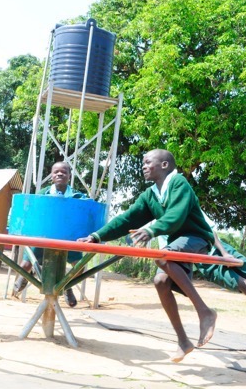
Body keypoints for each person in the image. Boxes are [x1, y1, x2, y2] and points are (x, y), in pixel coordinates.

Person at [79, 149, 217, 362]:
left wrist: (152, 230)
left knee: (162, 257)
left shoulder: (179, 184)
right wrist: (97, 236)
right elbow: (128, 219)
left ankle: (205, 311)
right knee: (160, 281)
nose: (143, 166)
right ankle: (183, 341)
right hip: (176, 244)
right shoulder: (151, 195)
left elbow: (176, 216)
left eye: (147, 162)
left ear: (164, 165)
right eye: (142, 163)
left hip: (196, 237)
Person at [12, 161, 87, 308]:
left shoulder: (78, 197)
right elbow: (33, 213)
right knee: (26, 264)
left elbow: (84, 215)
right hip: (44, 237)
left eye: (64, 172)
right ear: (51, 176)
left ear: (69, 176)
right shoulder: (42, 195)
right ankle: (23, 279)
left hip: (68, 239)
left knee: (80, 268)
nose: (60, 174)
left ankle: (66, 286)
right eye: (56, 172)